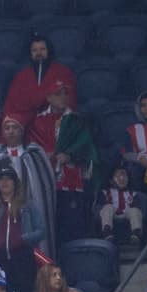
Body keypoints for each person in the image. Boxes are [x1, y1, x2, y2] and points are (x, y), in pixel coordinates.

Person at [0, 115, 57, 258]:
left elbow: (45, 190)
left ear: (22, 131)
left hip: (28, 215)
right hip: (1, 212)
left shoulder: (35, 156)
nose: (11, 131)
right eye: (7, 128)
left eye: (15, 128)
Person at [30, 80, 99, 245]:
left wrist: (70, 156)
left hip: (71, 181)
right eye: (57, 93)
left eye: (65, 93)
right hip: (46, 181)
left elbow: (87, 147)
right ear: (48, 98)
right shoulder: (38, 122)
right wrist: (44, 155)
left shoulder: (77, 120)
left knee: (73, 223)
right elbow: (31, 149)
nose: (62, 97)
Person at [0, 168, 45, 292]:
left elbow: (41, 230)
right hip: (0, 261)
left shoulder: (27, 205)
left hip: (23, 258)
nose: (4, 182)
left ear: (15, 183)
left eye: (8, 178)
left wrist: (23, 239)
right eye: (1, 179)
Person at [2, 33, 78, 137]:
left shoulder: (62, 72)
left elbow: (69, 102)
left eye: (42, 49)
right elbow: (12, 105)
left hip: (55, 124)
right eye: (34, 50)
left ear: (49, 51)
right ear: (30, 53)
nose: (39, 53)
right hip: (27, 126)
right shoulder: (21, 76)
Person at [97, 167, 146, 245]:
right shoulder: (105, 192)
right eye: (118, 176)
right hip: (113, 214)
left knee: (135, 210)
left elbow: (138, 209)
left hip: (126, 214)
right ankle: (107, 231)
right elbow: (99, 208)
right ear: (111, 180)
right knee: (107, 207)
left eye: (124, 176)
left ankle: (136, 233)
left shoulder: (133, 194)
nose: (122, 179)